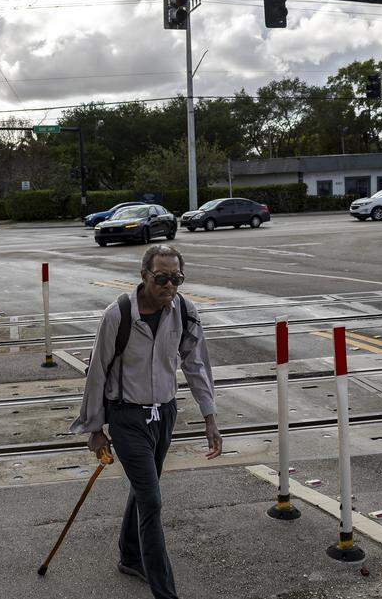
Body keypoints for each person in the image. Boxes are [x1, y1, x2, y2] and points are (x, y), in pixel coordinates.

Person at [70, 244, 222, 599]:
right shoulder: (118, 314)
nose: (170, 285)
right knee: (152, 500)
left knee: (145, 489)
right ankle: (164, 591)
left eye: (177, 278)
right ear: (144, 276)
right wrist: (95, 429)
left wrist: (209, 416)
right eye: (162, 278)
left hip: (164, 414)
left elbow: (196, 364)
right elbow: (96, 373)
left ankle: (130, 555)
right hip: (126, 417)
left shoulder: (184, 310)